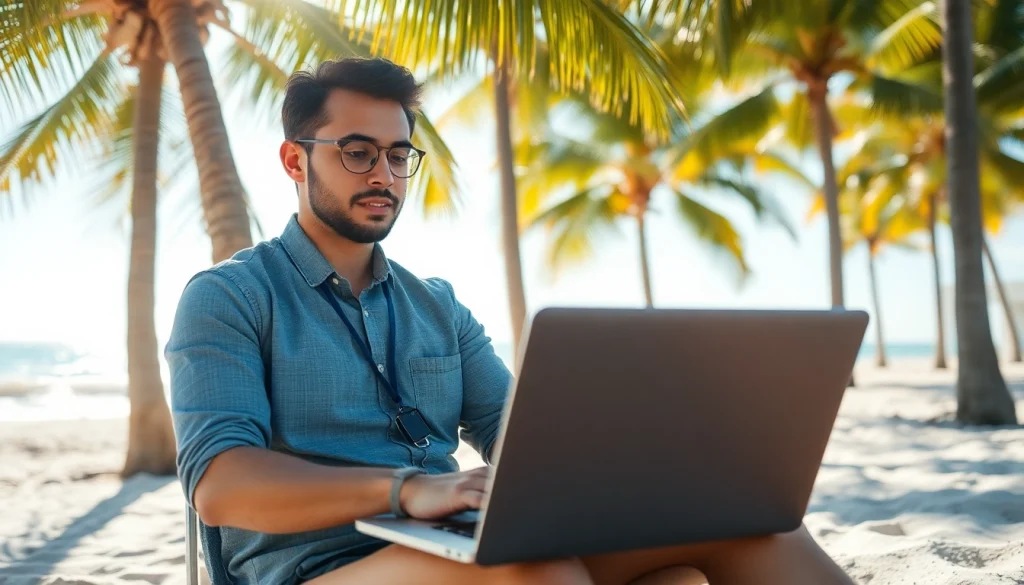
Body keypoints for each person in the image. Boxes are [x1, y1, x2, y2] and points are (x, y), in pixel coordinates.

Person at [166, 57, 858, 585]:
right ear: (295, 160)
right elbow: (221, 486)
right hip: (318, 568)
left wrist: (657, 470)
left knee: (756, 529)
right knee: (532, 569)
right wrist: (408, 489)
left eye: (399, 154)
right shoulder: (229, 297)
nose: (383, 174)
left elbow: (520, 438)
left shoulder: (436, 305)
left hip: (451, 544)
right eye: (357, 151)